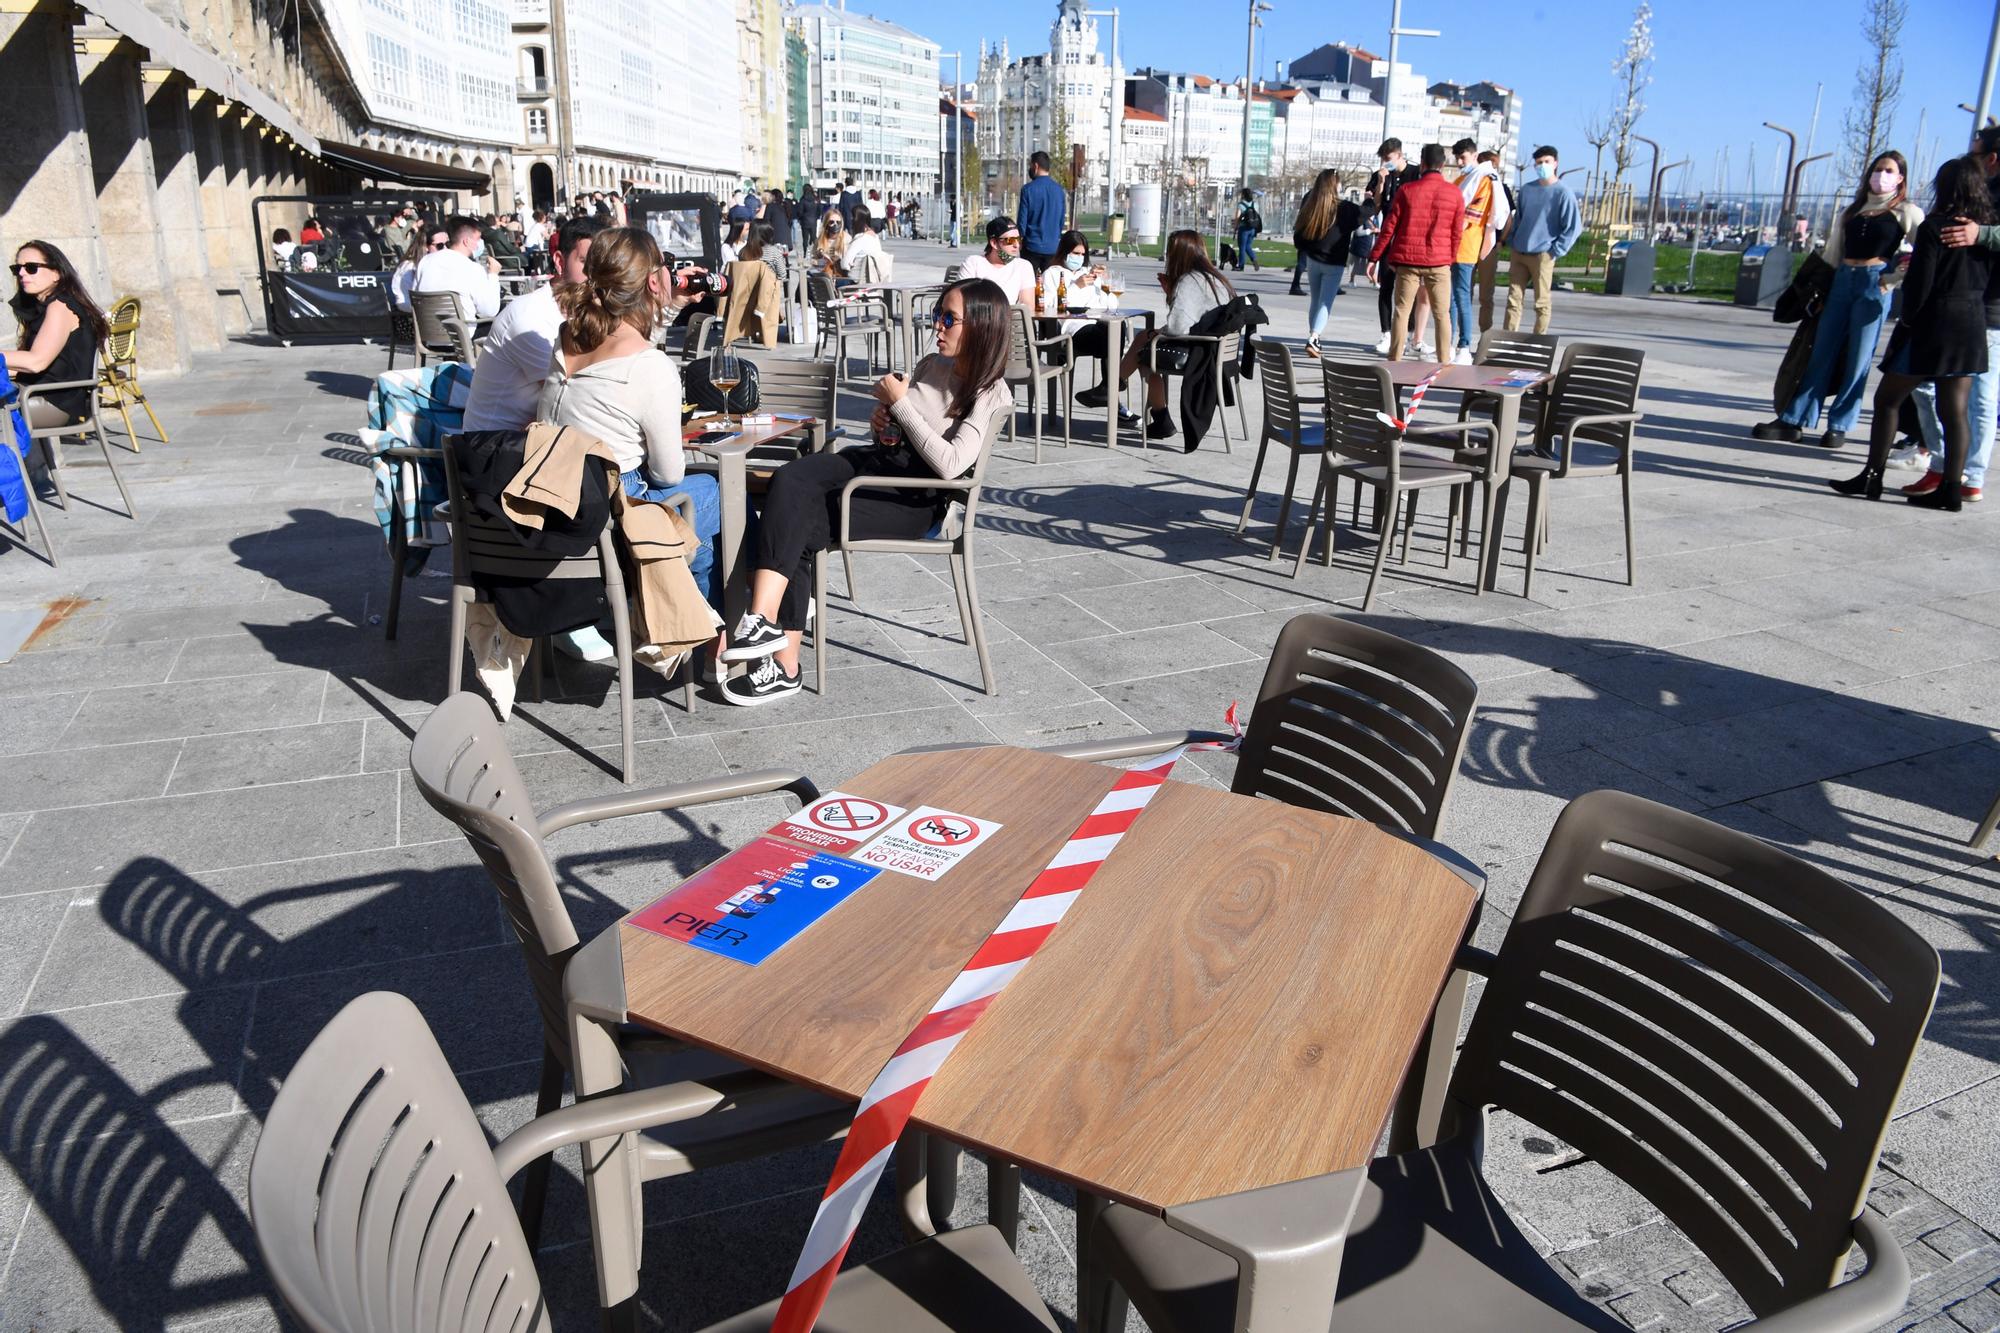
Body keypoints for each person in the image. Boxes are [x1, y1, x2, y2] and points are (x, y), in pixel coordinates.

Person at [715, 277, 1013, 706]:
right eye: (937, 315)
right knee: (790, 480)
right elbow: (906, 430)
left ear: (982, 326)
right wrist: (886, 422)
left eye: (949, 318)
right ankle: (764, 625)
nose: (937, 326)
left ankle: (782, 661)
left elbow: (950, 466)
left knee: (801, 517)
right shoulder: (932, 364)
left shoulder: (989, 391)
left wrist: (903, 406)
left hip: (915, 498)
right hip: (879, 466)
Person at [539, 226, 724, 624]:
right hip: (610, 518)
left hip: (557, 499)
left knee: (700, 536)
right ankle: (734, 626)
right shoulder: (649, 366)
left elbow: (621, 344)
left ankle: (715, 632)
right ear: (655, 280)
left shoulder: (568, 337)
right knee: (718, 495)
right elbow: (667, 472)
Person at [1828, 155, 1996, 513]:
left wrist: (1906, 321)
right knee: (1956, 411)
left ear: (1946, 187)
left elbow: (1920, 285)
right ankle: (1952, 488)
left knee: (1888, 399)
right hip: (1971, 322)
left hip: (1933, 322)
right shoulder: (1985, 228)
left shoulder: (1937, 226)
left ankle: (1871, 475)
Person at [1750, 152, 1922, 450]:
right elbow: (1832, 253)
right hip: (1842, 279)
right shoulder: (1852, 211)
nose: (1881, 175)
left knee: (1859, 358)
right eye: (1877, 169)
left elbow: (1924, 251)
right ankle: (1795, 418)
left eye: (1889, 170)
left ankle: (1840, 424)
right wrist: (1818, 290)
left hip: (1874, 281)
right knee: (1820, 351)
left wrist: (1892, 279)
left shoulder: (1905, 211)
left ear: (1900, 177)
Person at [1079, 229, 1231, 440]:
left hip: (1199, 353)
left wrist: (1171, 298)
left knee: (1145, 347)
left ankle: (1113, 388)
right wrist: (1171, 294)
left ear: (1179, 253)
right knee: (1145, 346)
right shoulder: (1216, 278)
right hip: (1217, 351)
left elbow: (1178, 326)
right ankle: (1149, 412)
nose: (1167, 256)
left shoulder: (1189, 280)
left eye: (1170, 251)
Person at [1920, 122, 2000, 503]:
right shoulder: (1977, 192)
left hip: (1991, 310)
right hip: (1957, 305)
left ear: (1992, 158)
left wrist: (1980, 234)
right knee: (1925, 389)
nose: (1970, 160)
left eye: (1975, 153)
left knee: (1980, 398)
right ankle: (1942, 466)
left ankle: (1970, 475)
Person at [1370, 143, 1465, 362]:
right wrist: (1449, 258)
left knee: (1402, 311)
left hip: (1408, 261)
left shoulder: (1407, 191)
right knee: (1442, 315)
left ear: (1422, 164)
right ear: (1442, 165)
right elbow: (1456, 232)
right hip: (1439, 261)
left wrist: (1375, 256)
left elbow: (1389, 227)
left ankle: (1394, 361)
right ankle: (1444, 362)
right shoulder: (1454, 193)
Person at [6, 241, 107, 441]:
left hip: (53, 403)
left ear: (56, 273)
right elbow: (33, 366)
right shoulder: (47, 307)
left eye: (31, 268)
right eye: (18, 268)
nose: (22, 274)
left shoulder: (60, 307)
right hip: (40, 395)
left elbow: (36, 362)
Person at [1038, 229, 1132, 424]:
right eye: (1075, 253)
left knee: (1116, 325)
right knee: (1112, 335)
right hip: (1071, 330)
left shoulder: (1086, 273)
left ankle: (1108, 388)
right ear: (1064, 252)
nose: (1079, 258)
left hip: (1095, 325)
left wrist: (1104, 284)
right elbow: (1050, 308)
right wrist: (1076, 286)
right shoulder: (1052, 274)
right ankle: (1112, 389)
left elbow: (1112, 306)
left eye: (1082, 254)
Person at [1502, 145, 1582, 334]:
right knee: (1513, 299)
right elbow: (1518, 218)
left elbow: (1573, 226)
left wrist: (1556, 250)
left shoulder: (1563, 192)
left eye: (1546, 162)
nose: (1542, 165)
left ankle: (1538, 343)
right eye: (1539, 163)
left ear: (1555, 163)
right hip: (1520, 250)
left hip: (1543, 254)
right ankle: (1507, 338)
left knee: (1541, 302)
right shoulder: (1528, 190)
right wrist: (1512, 240)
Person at [1450, 139, 1509, 365]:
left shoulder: (1484, 180)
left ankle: (1464, 345)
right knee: (1452, 299)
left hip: (1466, 245)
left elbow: (1471, 216)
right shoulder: (1461, 179)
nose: (1459, 162)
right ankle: (1450, 341)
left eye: (1463, 157)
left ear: (1474, 156)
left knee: (1462, 296)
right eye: (1457, 158)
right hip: (1451, 245)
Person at [1292, 170, 1361, 358]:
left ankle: (1313, 337)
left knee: (1315, 300)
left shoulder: (1312, 204)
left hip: (1314, 260)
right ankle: (1314, 337)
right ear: (1335, 186)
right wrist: (1373, 197)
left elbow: (1299, 232)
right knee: (1325, 302)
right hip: (1334, 262)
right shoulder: (1344, 208)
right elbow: (1366, 212)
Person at [1365, 138, 1420, 354]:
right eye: (1382, 159)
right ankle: (1386, 333)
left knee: (1408, 289)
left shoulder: (1415, 174)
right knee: (1385, 285)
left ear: (1399, 155)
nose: (1385, 163)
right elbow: (1376, 206)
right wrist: (1380, 183)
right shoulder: (1381, 176)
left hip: (1408, 237)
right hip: (1388, 235)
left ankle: (1408, 334)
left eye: (1388, 159)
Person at [414, 214, 502, 320]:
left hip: (427, 331)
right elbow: (490, 311)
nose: (480, 243)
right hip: (461, 333)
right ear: (467, 241)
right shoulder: (472, 268)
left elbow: (415, 297)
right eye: (478, 239)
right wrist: (493, 275)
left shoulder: (425, 261)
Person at [1474, 150, 1514, 333]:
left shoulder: (1501, 188)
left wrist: (1500, 240)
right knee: (1476, 293)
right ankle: (1477, 333)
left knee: (1484, 294)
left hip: (1487, 244)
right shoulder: (1473, 184)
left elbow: (1507, 218)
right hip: (1472, 243)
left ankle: (1485, 332)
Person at [1017, 150, 1067, 272]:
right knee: (1049, 284)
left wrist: (1019, 239)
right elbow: (1061, 220)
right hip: (1053, 247)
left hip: (1031, 246)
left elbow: (1022, 221)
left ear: (1036, 166)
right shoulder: (1059, 190)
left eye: (1030, 165)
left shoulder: (1027, 189)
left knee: (1029, 284)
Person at [389, 228, 445, 311]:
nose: (445, 249)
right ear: (426, 246)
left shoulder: (438, 265)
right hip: (411, 315)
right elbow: (405, 300)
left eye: (448, 244)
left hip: (429, 313)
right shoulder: (409, 267)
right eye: (440, 246)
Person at [843, 206, 887, 280]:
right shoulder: (875, 237)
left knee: (828, 281)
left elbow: (844, 264)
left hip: (855, 280)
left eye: (852, 217)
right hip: (872, 279)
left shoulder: (859, 239)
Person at [811, 209, 849, 279]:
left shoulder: (846, 238)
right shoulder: (821, 239)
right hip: (823, 275)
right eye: (831, 222)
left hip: (840, 277)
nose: (835, 225)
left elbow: (848, 262)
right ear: (826, 223)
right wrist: (821, 261)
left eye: (838, 222)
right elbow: (813, 260)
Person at [1234, 189, 1263, 271]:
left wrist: (1235, 227)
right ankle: (1254, 259)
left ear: (1243, 195)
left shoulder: (1241, 205)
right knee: (1248, 246)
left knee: (1242, 247)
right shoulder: (1255, 204)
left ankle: (1241, 265)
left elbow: (1237, 217)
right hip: (1253, 228)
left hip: (1244, 228)